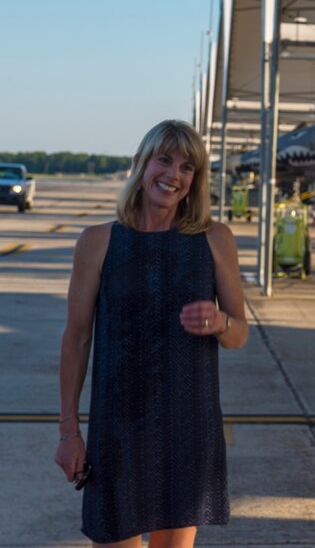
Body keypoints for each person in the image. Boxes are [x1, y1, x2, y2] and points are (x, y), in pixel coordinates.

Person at [54, 120, 249, 547]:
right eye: (164, 160)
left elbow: (239, 335)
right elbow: (77, 338)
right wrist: (69, 432)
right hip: (118, 429)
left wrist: (221, 323)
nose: (173, 175)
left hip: (188, 429)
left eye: (187, 167)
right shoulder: (98, 241)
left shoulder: (215, 239)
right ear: (142, 163)